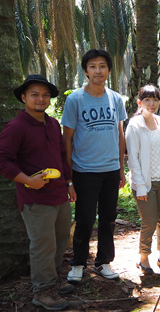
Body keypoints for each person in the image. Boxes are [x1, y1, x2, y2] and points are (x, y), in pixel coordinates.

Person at [0, 74, 76, 310]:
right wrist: (27, 181)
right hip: (35, 199)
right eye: (34, 94)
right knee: (43, 245)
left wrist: (69, 183)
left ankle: (51, 281)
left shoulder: (52, 123)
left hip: (59, 195)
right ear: (24, 98)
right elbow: (3, 160)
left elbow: (62, 156)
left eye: (45, 95)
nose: (40, 99)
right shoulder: (16, 127)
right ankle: (42, 291)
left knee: (61, 239)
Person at [62, 49, 128, 283]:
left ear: (109, 70)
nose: (98, 70)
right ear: (85, 71)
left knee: (108, 219)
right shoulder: (75, 99)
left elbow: (120, 135)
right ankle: (78, 263)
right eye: (92, 66)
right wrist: (68, 178)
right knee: (85, 219)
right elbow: (67, 139)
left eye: (102, 66)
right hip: (84, 171)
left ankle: (103, 262)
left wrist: (121, 169)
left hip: (110, 171)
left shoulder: (115, 98)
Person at [126, 85, 160, 275]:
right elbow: (133, 159)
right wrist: (141, 187)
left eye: (155, 99)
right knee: (149, 221)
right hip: (145, 183)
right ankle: (144, 258)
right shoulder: (135, 125)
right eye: (147, 100)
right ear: (140, 102)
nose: (152, 103)